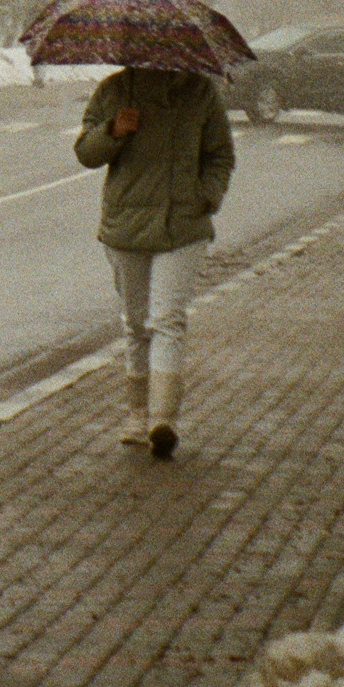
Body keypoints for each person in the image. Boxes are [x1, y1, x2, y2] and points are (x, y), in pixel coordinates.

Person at [75, 64, 236, 456]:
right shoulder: (114, 91)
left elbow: (220, 155)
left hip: (182, 226)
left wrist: (206, 196)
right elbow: (85, 153)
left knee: (168, 319)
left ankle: (163, 419)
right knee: (136, 323)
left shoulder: (200, 92)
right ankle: (137, 414)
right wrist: (113, 131)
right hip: (127, 226)